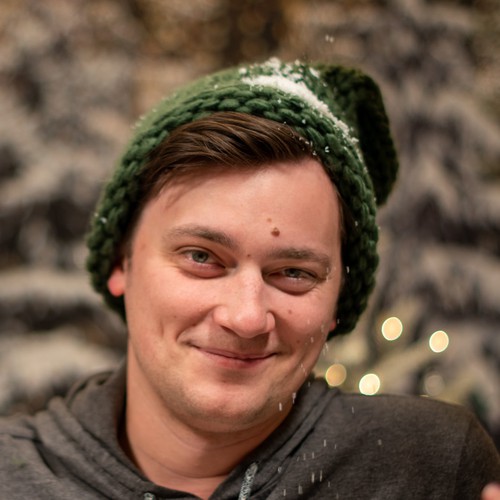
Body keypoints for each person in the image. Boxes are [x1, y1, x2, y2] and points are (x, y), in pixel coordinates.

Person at [0, 58, 499, 499]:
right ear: (120, 262)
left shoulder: (431, 466)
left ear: (338, 302)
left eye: (293, 273)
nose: (245, 317)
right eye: (201, 257)